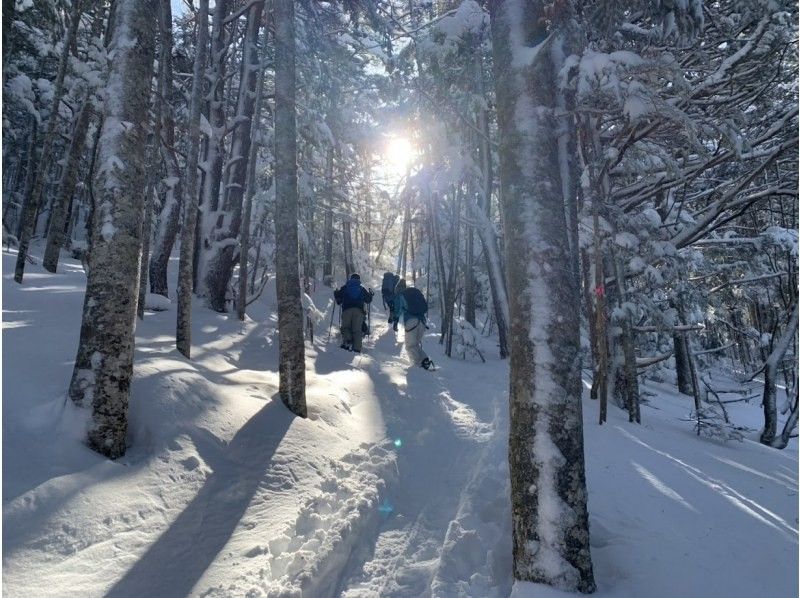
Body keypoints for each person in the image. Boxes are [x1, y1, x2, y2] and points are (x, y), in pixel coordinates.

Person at [393, 279, 434, 370]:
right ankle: (425, 361)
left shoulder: (401, 295)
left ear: (398, 289)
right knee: (415, 345)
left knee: (410, 346)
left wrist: (395, 322)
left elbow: (398, 310)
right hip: (422, 322)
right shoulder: (413, 293)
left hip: (411, 323)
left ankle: (418, 367)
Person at [334, 273, 373, 353]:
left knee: (346, 327)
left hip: (346, 311)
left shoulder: (345, 287)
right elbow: (368, 300)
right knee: (357, 330)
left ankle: (348, 341)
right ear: (358, 280)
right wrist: (371, 294)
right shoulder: (362, 288)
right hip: (358, 312)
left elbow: (338, 301)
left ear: (351, 279)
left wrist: (336, 292)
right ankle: (357, 349)